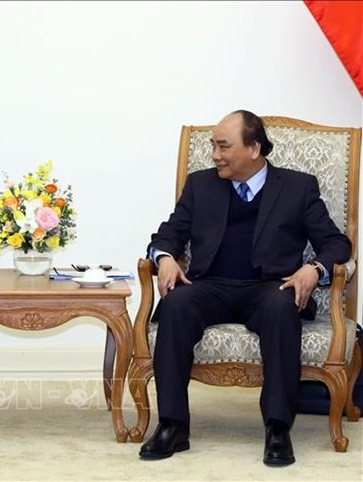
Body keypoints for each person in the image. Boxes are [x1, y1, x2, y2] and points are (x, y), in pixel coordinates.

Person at [138, 110, 351, 466]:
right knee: (175, 305)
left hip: (270, 287)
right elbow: (168, 234)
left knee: (282, 308)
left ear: (254, 148)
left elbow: (336, 243)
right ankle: (173, 425)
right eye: (213, 145)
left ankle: (278, 428)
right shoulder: (201, 184)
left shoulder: (298, 187)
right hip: (210, 286)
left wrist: (314, 269)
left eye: (224, 146)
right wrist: (164, 258)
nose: (215, 155)